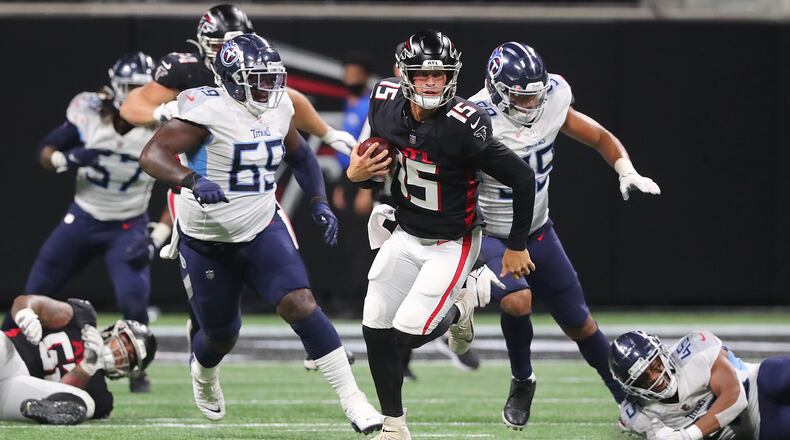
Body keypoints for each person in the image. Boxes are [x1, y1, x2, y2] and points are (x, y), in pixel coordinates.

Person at [138, 34, 382, 434]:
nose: (269, 88)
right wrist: (191, 179)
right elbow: (153, 154)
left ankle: (354, 400)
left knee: (301, 303)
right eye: (259, 79)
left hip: (260, 224)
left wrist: (319, 199)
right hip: (206, 239)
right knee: (220, 335)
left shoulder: (279, 106)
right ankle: (203, 373)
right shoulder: (208, 110)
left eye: (272, 78)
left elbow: (301, 155)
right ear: (233, 80)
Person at [346, 30, 538, 439]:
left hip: (454, 240)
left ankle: (460, 306)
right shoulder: (382, 101)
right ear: (406, 76)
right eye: (423, 74)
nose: (432, 83)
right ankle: (394, 426)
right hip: (405, 230)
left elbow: (523, 179)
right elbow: (368, 163)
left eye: (440, 74)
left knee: (409, 331)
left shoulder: (466, 124)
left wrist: (517, 245)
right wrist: (356, 174)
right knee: (374, 323)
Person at [464, 42, 662, 429]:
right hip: (490, 234)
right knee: (518, 300)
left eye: (535, 94)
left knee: (580, 324)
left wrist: (625, 169)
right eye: (521, 97)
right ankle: (523, 380)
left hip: (538, 230)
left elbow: (600, 136)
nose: (531, 104)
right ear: (497, 90)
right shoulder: (474, 118)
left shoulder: (552, 98)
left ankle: (626, 400)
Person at [27, 52, 166, 393]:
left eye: (143, 88)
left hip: (127, 225)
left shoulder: (165, 126)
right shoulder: (90, 114)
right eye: (130, 88)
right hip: (84, 216)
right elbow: (44, 151)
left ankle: (138, 371)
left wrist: (155, 237)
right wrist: (64, 157)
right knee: (36, 290)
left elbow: (184, 189)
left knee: (134, 301)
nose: (136, 95)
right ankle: (11, 346)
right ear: (115, 88)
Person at [120, 3, 356, 153]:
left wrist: (328, 133)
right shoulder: (184, 68)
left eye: (234, 45)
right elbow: (131, 106)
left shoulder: (254, 65)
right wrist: (159, 112)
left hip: (244, 156)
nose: (227, 53)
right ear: (204, 44)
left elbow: (287, 99)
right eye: (220, 45)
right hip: (200, 163)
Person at [1, 294, 156, 424]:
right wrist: (26, 313)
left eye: (129, 357)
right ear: (115, 330)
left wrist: (88, 366)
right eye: (124, 341)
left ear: (128, 371)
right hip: (10, 354)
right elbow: (32, 302)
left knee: (85, 403)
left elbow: (59, 390)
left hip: (21, 388)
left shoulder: (102, 397)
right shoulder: (83, 318)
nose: (120, 353)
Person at [610, 330, 790, 440]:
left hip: (760, 383)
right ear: (632, 388)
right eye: (644, 377)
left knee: (783, 375)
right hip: (762, 427)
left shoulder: (693, 351)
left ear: (662, 352)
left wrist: (687, 436)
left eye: (655, 364)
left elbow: (735, 397)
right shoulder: (639, 416)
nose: (657, 377)